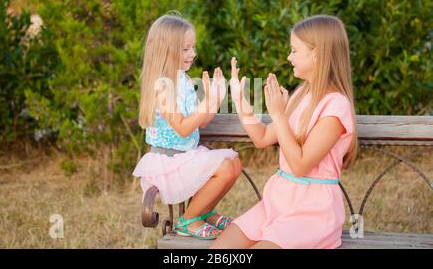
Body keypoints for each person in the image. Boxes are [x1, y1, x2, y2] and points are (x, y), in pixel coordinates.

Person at [211, 14, 357, 249]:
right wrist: (239, 98)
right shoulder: (300, 95)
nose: (289, 57)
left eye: (294, 50)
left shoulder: (336, 106)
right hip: (277, 201)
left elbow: (300, 165)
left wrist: (279, 115)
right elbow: (262, 138)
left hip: (311, 211)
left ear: (317, 54)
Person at [133, 14, 242, 240]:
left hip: (187, 157)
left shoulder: (182, 79)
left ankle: (204, 211)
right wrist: (207, 102)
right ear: (166, 51)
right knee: (224, 167)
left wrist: (215, 100)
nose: (193, 54)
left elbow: (199, 121)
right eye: (185, 49)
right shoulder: (163, 85)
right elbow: (182, 128)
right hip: (169, 162)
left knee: (234, 163)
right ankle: (188, 220)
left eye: (192, 48)